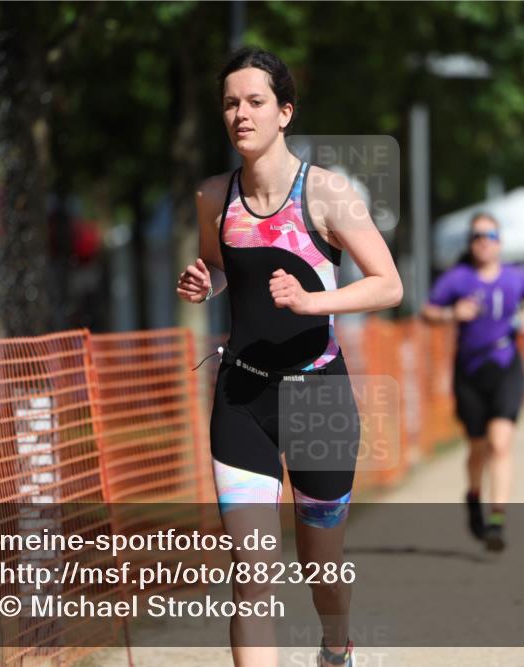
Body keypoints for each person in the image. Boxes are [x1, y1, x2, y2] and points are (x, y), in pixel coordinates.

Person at [176, 47, 403, 667]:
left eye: (255, 102)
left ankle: (336, 646)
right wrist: (207, 283)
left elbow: (389, 283)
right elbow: (226, 272)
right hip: (240, 397)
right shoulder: (213, 196)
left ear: (285, 112)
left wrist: (313, 301)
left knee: (319, 567)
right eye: (230, 103)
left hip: (317, 396)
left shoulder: (327, 193)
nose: (240, 114)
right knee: (251, 572)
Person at [422, 213, 524, 552]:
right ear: (470, 243)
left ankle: (497, 519)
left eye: (489, 235)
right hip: (469, 371)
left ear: (500, 242)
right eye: (476, 236)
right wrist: (450, 315)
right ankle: (473, 496)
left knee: (500, 444)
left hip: (505, 366)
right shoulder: (457, 279)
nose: (483, 241)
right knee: (477, 448)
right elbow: (427, 311)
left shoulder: (517, 276)